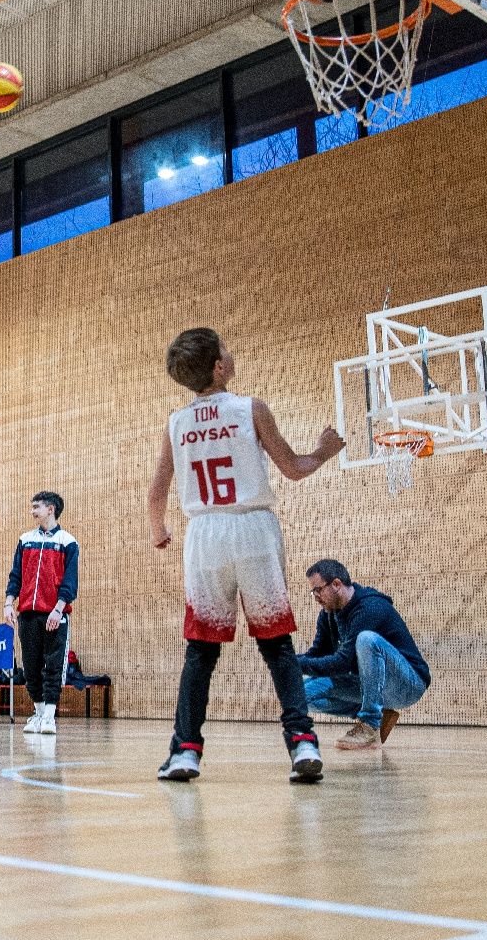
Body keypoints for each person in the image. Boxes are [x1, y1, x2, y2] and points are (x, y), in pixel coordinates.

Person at [148, 327, 344, 784]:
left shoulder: (176, 423)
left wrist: (158, 530)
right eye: (226, 352)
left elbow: (156, 492)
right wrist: (325, 451)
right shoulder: (249, 408)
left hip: (205, 536)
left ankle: (185, 753)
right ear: (220, 366)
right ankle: (302, 743)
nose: (231, 357)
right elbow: (294, 469)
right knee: (277, 645)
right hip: (253, 530)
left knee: (200, 652)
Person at [299, 558, 430, 749]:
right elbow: (318, 655)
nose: (316, 596)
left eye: (318, 589)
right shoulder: (328, 614)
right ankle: (381, 714)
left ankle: (370, 725)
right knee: (299, 694)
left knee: (367, 639)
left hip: (408, 684)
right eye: (313, 592)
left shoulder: (371, 607)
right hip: (371, 687)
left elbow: (343, 662)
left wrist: (296, 663)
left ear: (336, 584)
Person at [3, 490, 79, 736]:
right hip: (27, 614)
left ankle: (49, 717)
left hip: (54, 614)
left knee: (53, 666)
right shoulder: (25, 540)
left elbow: (70, 582)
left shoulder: (68, 542)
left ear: (51, 509)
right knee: (30, 667)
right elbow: (16, 575)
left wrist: (58, 609)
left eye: (37, 506)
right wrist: (8, 603)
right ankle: (38, 712)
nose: (32, 510)